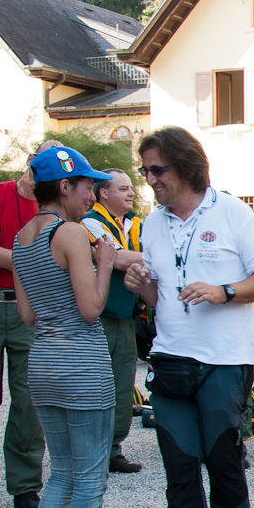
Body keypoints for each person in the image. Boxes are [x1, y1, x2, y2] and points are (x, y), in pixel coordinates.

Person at [123, 127, 254, 508]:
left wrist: (224, 291)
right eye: (145, 171)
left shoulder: (231, 211)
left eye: (157, 170)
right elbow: (160, 295)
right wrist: (139, 284)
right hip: (170, 358)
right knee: (179, 462)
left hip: (225, 358)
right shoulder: (153, 224)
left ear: (186, 166)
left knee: (221, 455)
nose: (149, 180)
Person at [11, 146, 140, 508]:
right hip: (81, 365)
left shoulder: (21, 238)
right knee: (88, 480)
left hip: (43, 363)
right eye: (85, 184)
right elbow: (90, 309)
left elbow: (26, 314)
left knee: (61, 474)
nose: (90, 193)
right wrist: (104, 261)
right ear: (63, 187)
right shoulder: (68, 234)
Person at [0, 141, 61, 508]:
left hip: (29, 309)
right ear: (31, 162)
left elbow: (56, 257)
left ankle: (24, 486)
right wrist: (31, 254)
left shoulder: (49, 211)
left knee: (29, 402)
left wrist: (7, 248)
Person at [80, 169, 145, 475]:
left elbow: (131, 256)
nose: (131, 193)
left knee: (122, 386)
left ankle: (114, 449)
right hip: (99, 317)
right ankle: (93, 453)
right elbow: (117, 259)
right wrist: (148, 256)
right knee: (95, 387)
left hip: (126, 316)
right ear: (104, 193)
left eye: (131, 188)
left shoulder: (133, 221)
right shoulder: (90, 221)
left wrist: (141, 256)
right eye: (123, 189)